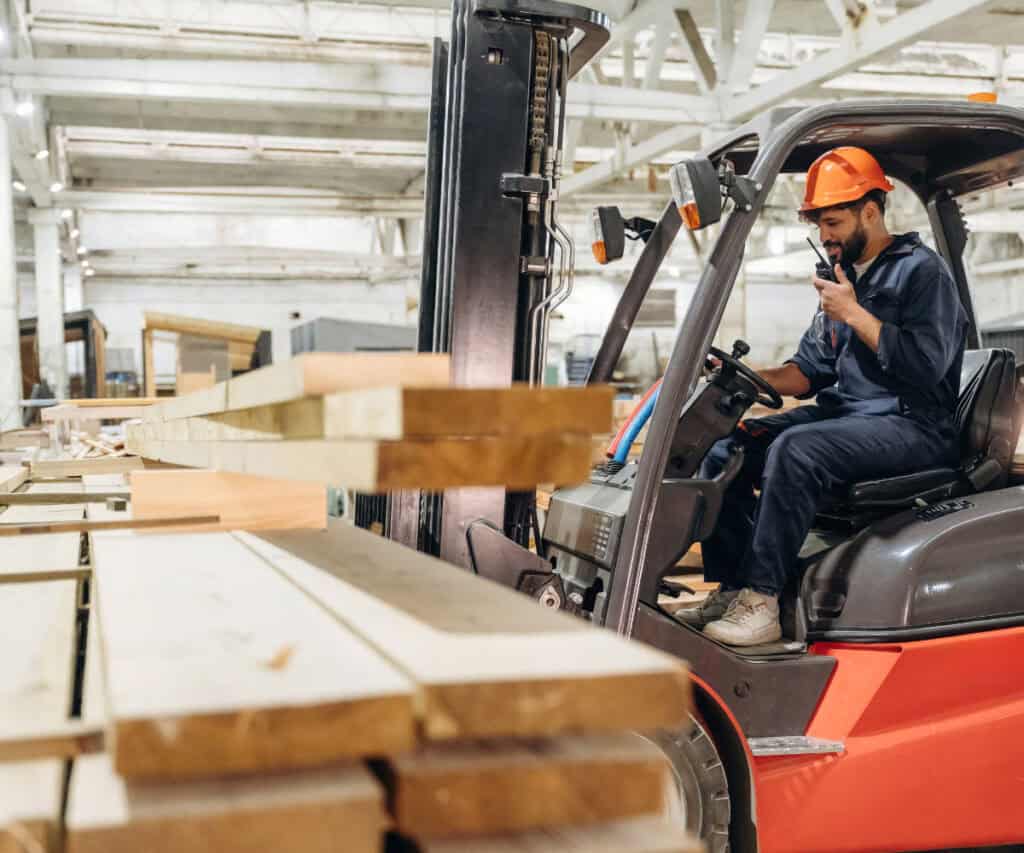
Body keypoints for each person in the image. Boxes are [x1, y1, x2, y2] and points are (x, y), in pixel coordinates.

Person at [679, 146, 968, 646]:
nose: (825, 236)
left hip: (915, 424)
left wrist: (855, 314)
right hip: (852, 417)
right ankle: (734, 585)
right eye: (819, 225)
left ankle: (763, 599)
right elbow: (809, 371)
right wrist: (744, 375)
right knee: (728, 441)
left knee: (798, 448)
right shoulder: (845, 277)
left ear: (870, 211)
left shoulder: (922, 273)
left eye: (833, 222)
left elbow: (928, 367)